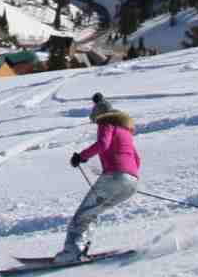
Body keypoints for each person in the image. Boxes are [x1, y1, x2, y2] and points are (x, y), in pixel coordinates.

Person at [55, 92, 140, 264]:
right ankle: (80, 248)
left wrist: (81, 156)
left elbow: (103, 144)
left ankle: (72, 253)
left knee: (82, 216)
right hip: (131, 181)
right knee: (90, 214)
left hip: (114, 177)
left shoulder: (105, 122)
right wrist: (126, 177)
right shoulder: (125, 131)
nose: (96, 124)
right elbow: (137, 159)